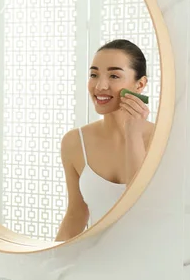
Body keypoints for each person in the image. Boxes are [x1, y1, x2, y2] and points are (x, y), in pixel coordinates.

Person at [55, 39, 153, 242]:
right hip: (95, 263)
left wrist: (133, 134)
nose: (100, 86)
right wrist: (50, 266)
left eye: (114, 75)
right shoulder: (74, 142)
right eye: (94, 75)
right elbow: (76, 214)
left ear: (140, 84)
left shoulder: (163, 140)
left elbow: (142, 210)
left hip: (150, 262)